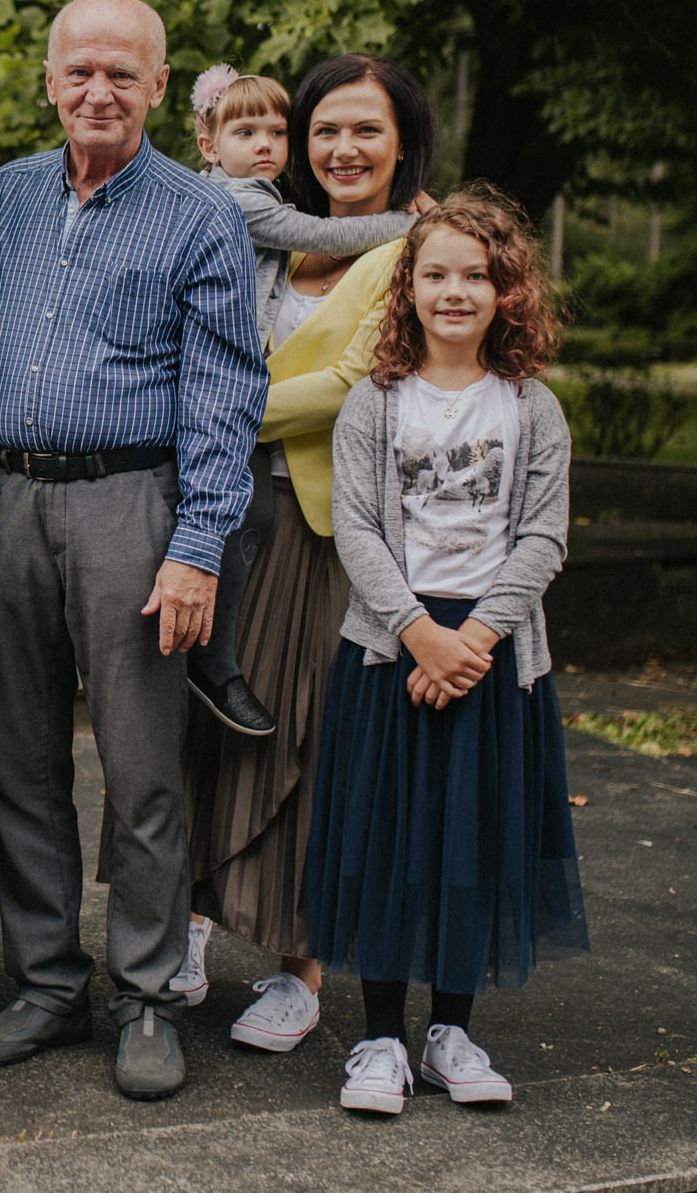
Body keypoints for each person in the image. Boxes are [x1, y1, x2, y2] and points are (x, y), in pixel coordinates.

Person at [0, 0, 268, 1101]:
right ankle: (44, 983)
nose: (97, 92)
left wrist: (195, 547)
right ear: (49, 81)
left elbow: (227, 394)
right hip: (6, 503)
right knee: (18, 758)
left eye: (120, 75)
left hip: (134, 505)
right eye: (79, 72)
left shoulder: (197, 215)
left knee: (140, 770)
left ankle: (144, 995)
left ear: (155, 86)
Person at [178, 53, 439, 1059]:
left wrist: (203, 412)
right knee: (198, 725)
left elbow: (345, 380)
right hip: (215, 508)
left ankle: (299, 967)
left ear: (401, 142)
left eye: (364, 130)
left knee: (304, 738)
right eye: (322, 128)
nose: (340, 148)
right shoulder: (254, 233)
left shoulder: (412, 249)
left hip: (324, 526)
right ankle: (187, 923)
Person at [305, 186, 587, 1113]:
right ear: (408, 288)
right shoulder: (375, 405)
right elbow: (357, 531)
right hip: (393, 650)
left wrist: (473, 639)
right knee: (388, 836)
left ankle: (451, 1033)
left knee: (475, 836)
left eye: (478, 274)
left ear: (509, 291)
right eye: (436, 273)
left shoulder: (533, 407)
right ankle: (380, 1038)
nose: (455, 290)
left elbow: (543, 537)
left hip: (495, 653)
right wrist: (421, 633)